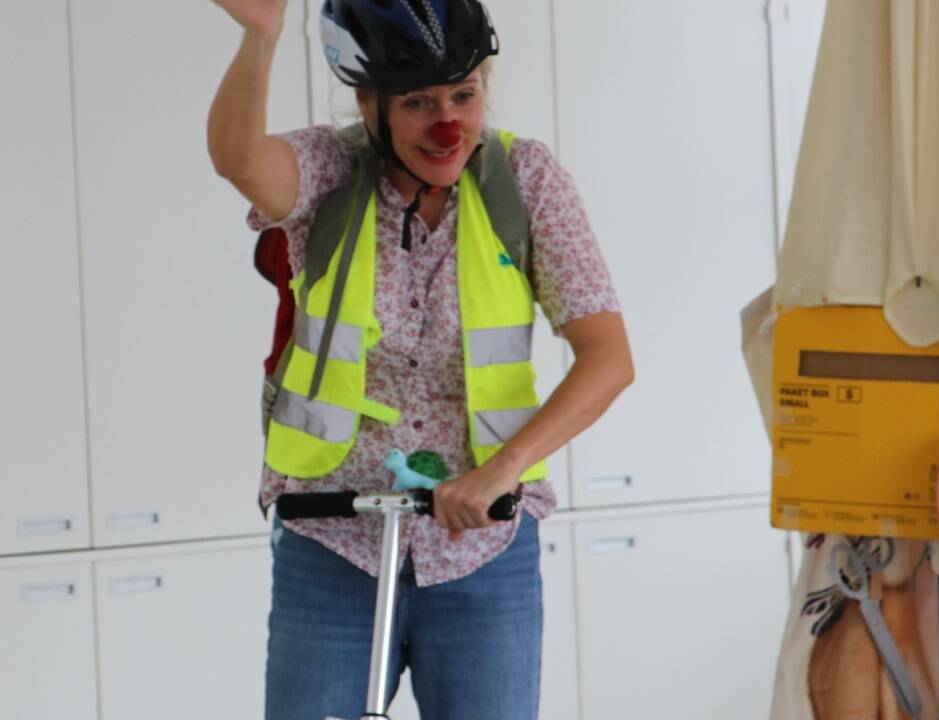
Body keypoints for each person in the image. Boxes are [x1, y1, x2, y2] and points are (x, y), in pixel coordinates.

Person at [207, 1, 634, 718]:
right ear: (367, 103)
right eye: (416, 103)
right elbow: (239, 161)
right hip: (331, 541)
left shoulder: (523, 179)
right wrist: (261, 36)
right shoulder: (330, 170)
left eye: (463, 95)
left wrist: (503, 469)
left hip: (482, 550)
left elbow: (608, 358)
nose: (448, 125)